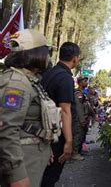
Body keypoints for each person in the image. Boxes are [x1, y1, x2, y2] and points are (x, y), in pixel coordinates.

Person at [0, 29, 56, 187]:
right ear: (36, 54)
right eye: (47, 52)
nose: (48, 57)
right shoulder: (17, 83)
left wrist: (45, 146)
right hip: (22, 163)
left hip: (31, 157)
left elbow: (32, 121)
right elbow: (6, 130)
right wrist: (16, 175)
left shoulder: (29, 80)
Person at [41, 42, 81, 186]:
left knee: (44, 174)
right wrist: (69, 142)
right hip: (56, 135)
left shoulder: (49, 72)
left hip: (45, 132)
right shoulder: (65, 77)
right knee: (50, 176)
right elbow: (65, 111)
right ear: (75, 59)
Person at [72, 76, 88, 161]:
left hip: (84, 118)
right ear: (80, 82)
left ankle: (79, 151)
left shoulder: (83, 93)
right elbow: (78, 108)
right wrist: (82, 120)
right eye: (85, 81)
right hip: (78, 119)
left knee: (82, 135)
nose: (86, 83)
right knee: (78, 135)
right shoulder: (78, 93)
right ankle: (75, 153)